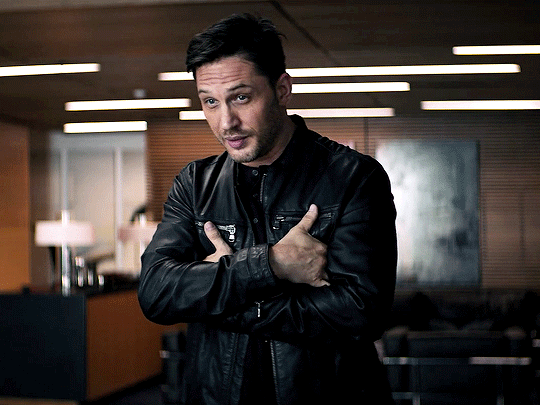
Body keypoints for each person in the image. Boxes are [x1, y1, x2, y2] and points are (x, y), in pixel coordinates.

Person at [138, 13, 397, 405]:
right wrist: (270, 265)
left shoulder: (352, 178)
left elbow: (362, 313)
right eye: (210, 102)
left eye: (241, 97)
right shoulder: (194, 184)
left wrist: (217, 296)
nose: (226, 122)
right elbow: (156, 292)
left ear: (282, 89)